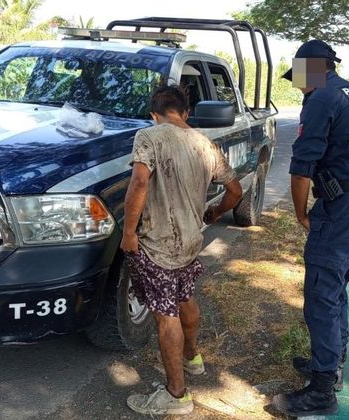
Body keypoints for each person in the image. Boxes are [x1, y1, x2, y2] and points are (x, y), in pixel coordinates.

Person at [272, 40, 349, 417]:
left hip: (341, 210)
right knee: (335, 288)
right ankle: (332, 361)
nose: (298, 85)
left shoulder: (321, 97)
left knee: (320, 294)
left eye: (299, 77)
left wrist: (302, 212)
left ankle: (321, 390)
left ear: (313, 69)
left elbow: (302, 165)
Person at [122, 85, 243, 416]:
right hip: (191, 242)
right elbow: (235, 191)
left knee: (165, 315)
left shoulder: (149, 136)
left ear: (154, 114)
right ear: (186, 113)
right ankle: (192, 359)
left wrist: (128, 232)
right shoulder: (206, 144)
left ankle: (176, 396)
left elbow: (139, 182)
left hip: (159, 244)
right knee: (185, 297)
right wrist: (215, 213)